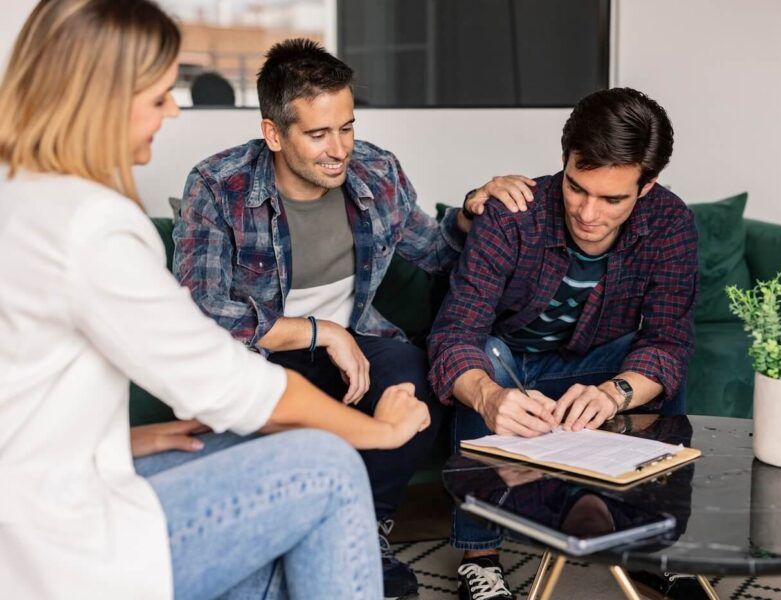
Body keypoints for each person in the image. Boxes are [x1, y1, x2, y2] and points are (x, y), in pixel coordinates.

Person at [0, 2, 431, 599]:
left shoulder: (21, 198)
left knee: (239, 462)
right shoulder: (94, 224)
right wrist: (380, 433)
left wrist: (121, 440)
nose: (175, 108)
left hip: (46, 482)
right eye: (157, 97)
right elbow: (229, 382)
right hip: (54, 532)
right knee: (327, 469)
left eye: (346, 127)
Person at [173, 37, 535, 597]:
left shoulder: (376, 172)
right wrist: (321, 331)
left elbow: (433, 252)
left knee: (421, 378)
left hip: (355, 350)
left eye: (346, 127)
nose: (338, 149)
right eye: (318, 134)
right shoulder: (219, 185)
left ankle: (365, 529)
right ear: (274, 133)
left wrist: (469, 214)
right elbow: (201, 307)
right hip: (257, 357)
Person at [427, 87, 699, 600]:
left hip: (599, 367)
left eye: (612, 198)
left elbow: (668, 339)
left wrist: (615, 392)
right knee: (479, 358)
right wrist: (489, 396)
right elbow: (454, 334)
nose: (589, 214)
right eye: (577, 189)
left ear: (647, 186)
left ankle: (654, 545)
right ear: (564, 163)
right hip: (512, 369)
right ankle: (479, 557)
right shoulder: (511, 214)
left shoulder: (671, 223)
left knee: (663, 368)